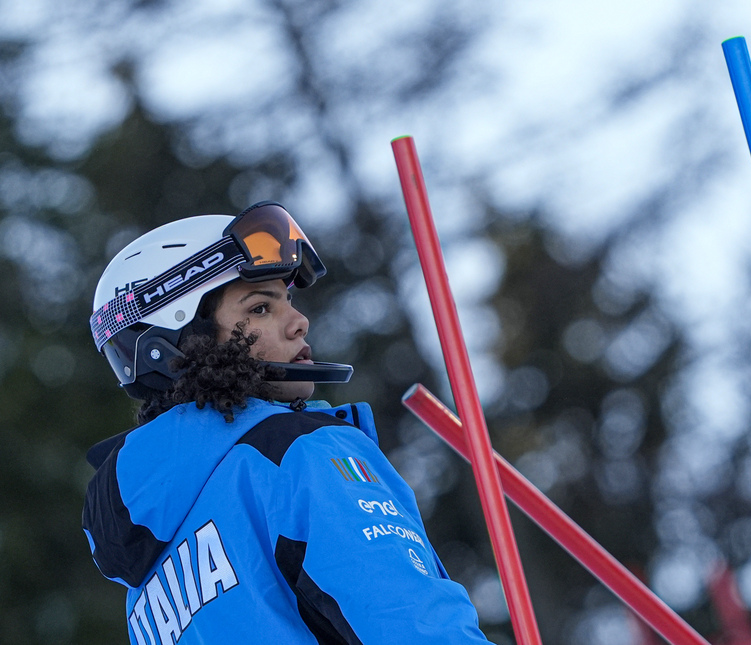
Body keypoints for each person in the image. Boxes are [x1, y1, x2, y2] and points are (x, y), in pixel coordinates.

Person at [82, 201, 495, 644]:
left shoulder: (145, 575)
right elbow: (411, 625)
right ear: (183, 343)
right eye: (260, 308)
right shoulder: (298, 454)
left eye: (289, 301)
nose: (299, 322)